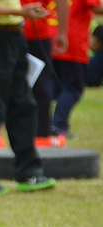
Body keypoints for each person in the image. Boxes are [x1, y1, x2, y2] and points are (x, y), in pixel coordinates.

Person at [0, 0, 57, 194]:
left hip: (15, 37)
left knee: (23, 105)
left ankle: (29, 172)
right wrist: (21, 12)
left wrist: (21, 15)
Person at [51, 0, 103, 138]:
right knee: (73, 89)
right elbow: (98, 8)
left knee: (54, 87)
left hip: (54, 38)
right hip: (73, 43)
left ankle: (43, 124)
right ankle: (58, 125)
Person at [21, 0, 69, 148]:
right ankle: (41, 136)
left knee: (8, 82)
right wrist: (62, 33)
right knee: (41, 84)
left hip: (9, 28)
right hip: (38, 31)